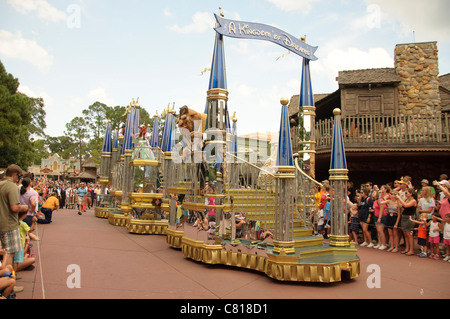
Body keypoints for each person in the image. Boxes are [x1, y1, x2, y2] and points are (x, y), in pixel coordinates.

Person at [0, 165, 29, 268]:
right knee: (10, 253)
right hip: (9, 225)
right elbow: (14, 208)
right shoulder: (11, 186)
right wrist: (24, 207)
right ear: (15, 175)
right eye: (19, 176)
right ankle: (8, 277)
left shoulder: (1, 184)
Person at [396, 188, 417, 256]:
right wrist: (401, 199)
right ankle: (407, 248)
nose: (405, 194)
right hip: (404, 217)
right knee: (405, 234)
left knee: (409, 235)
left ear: (411, 194)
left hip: (410, 218)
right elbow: (400, 205)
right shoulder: (407, 199)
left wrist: (399, 198)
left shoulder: (413, 201)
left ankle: (411, 250)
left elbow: (406, 205)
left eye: (407, 193)